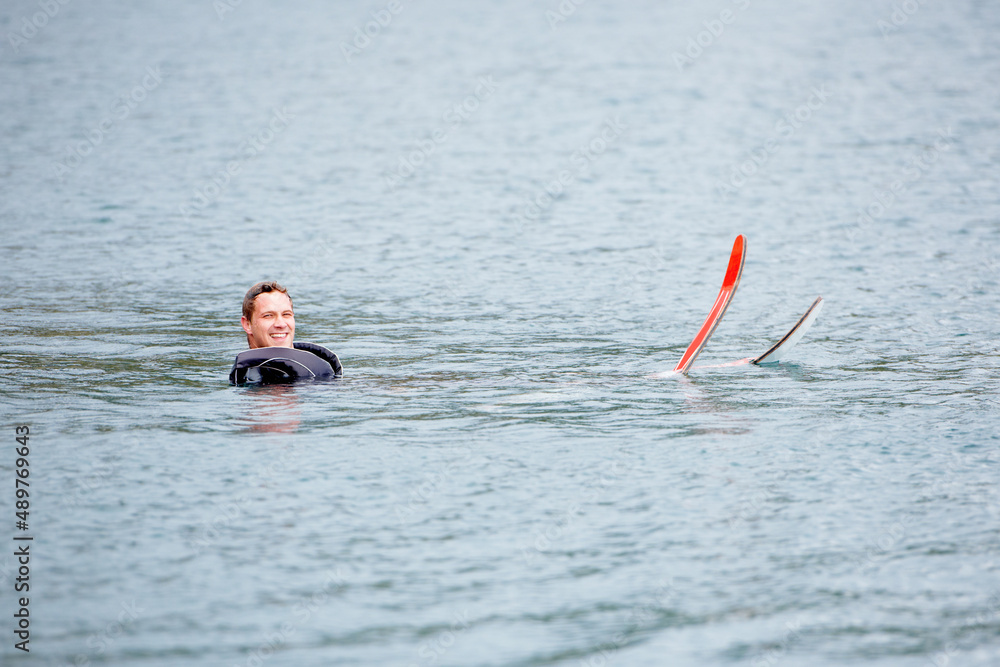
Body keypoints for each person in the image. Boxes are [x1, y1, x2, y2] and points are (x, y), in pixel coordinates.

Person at [229, 281, 343, 385]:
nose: (281, 324)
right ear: (247, 324)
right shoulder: (243, 376)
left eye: (286, 314)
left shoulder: (325, 370)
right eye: (268, 315)